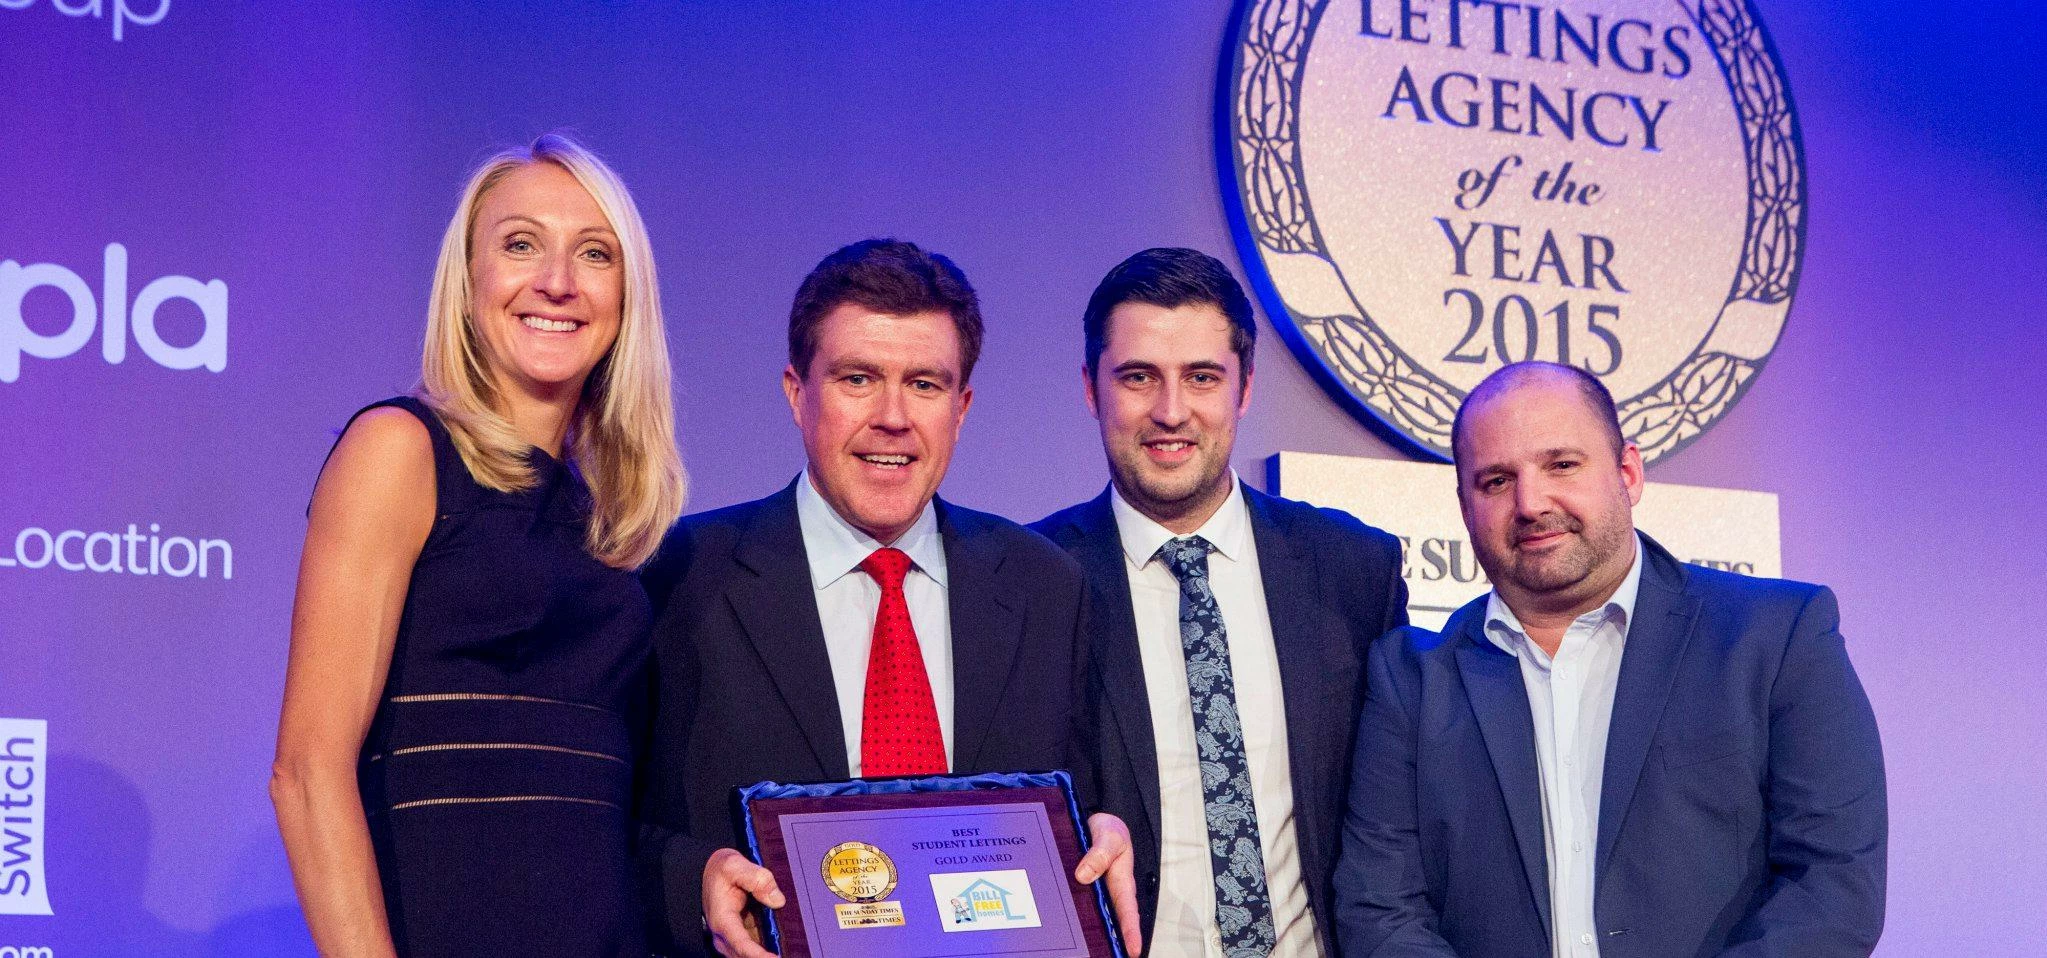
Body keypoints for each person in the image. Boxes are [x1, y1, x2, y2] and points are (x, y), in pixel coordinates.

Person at [636, 238, 1141, 958]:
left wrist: (1099, 831)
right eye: (857, 378)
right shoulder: (676, 577)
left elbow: (1081, 803)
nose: (893, 417)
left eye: (926, 385)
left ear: (961, 407)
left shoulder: (1045, 587)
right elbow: (601, 827)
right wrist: (694, 882)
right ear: (795, 392)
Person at [271, 134, 687, 957]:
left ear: (626, 295)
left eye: (594, 254)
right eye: (520, 244)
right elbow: (308, 774)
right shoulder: (399, 449)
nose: (557, 282)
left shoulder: (603, 514)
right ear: (467, 284)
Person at [1333, 361, 1887, 957]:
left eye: (1562, 465)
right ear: (1465, 507)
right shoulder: (1411, 679)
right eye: (1495, 480)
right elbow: (1380, 911)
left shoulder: (1777, 637)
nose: (1530, 501)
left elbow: (1832, 886)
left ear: (1628, 472)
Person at [1033, 248, 1408, 958]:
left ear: (1243, 389)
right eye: (1138, 377)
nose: (1170, 412)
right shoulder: (1028, 580)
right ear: (1091, 389)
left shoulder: (1353, 569)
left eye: (1201, 378)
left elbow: (1397, 822)